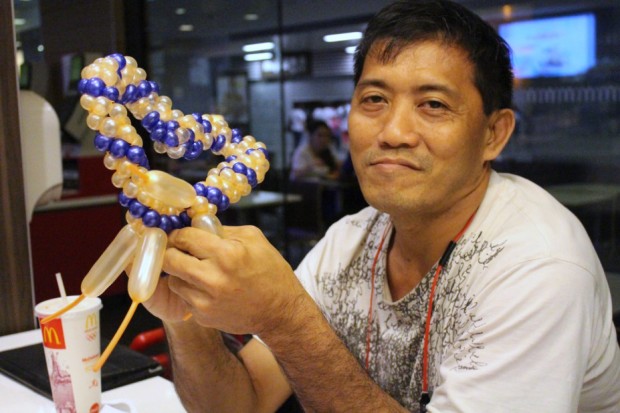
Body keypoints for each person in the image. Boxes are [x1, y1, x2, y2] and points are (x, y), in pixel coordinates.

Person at [145, 1, 620, 412]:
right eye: (374, 99)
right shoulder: (350, 240)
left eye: (433, 105)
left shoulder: (538, 266)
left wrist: (284, 318)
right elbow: (240, 403)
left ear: (493, 134)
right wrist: (184, 314)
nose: (393, 132)